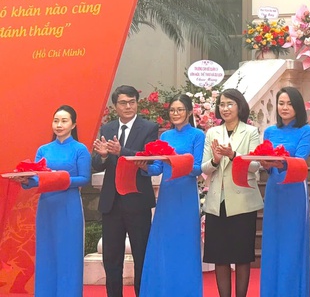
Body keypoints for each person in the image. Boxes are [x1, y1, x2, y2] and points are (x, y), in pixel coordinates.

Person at [12, 105, 91, 296]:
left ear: (73, 125)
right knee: (46, 254)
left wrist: (59, 179)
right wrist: (25, 181)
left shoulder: (80, 149)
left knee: (68, 255)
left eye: (64, 121)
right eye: (56, 121)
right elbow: (37, 179)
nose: (59, 125)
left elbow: (84, 178)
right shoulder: (44, 150)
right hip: (47, 206)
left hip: (68, 207)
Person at [92, 85, 158, 297]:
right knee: (111, 258)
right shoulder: (108, 128)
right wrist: (102, 155)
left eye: (132, 102)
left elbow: (147, 157)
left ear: (137, 103)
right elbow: (98, 164)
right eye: (123, 103)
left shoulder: (149, 128)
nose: (128, 106)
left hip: (137, 201)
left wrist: (123, 152)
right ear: (115, 106)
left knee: (141, 255)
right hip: (112, 203)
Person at [138, 94, 206, 297]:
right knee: (164, 245)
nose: (175, 114)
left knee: (185, 245)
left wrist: (174, 162)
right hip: (167, 197)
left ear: (190, 112)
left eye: (180, 110)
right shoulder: (165, 136)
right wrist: (144, 168)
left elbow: (196, 168)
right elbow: (158, 167)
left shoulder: (197, 135)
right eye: (172, 110)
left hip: (185, 196)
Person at [201, 88, 262, 297]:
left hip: (243, 200)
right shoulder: (212, 133)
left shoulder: (251, 132)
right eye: (222, 104)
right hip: (217, 202)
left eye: (229, 104)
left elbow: (256, 165)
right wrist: (216, 160)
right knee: (220, 256)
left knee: (242, 255)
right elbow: (204, 168)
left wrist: (234, 155)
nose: (225, 108)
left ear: (239, 106)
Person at [260, 86, 310, 297]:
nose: (284, 107)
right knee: (273, 243)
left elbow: (300, 160)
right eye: (281, 103)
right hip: (274, 191)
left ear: (298, 106)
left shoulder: (306, 131)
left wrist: (279, 163)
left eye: (289, 103)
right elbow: (266, 162)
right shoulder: (270, 131)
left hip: (294, 191)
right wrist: (265, 163)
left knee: (292, 245)